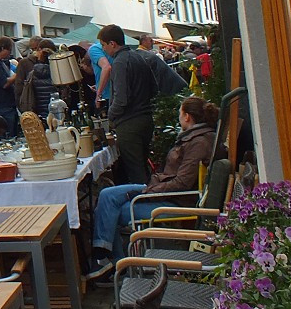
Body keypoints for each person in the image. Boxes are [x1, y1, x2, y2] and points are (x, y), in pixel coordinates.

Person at [86, 97, 221, 278]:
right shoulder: (196, 137)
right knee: (107, 195)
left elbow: (182, 183)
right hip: (164, 191)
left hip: (175, 201)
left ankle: (112, 262)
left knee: (112, 209)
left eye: (180, 113)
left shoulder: (199, 142)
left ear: (187, 117)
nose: (179, 117)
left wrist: (147, 192)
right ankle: (106, 258)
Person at [98, 24, 159, 185]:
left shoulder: (119, 62)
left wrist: (110, 115)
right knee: (142, 166)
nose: (103, 49)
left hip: (129, 123)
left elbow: (121, 99)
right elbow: (154, 88)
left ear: (112, 43)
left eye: (104, 45)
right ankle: (148, 200)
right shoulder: (139, 56)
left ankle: (143, 205)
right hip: (145, 118)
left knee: (136, 172)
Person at [87, 39, 112, 110]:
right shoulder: (112, 49)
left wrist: (99, 94)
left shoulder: (94, 49)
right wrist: (98, 85)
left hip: (106, 96)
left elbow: (106, 67)